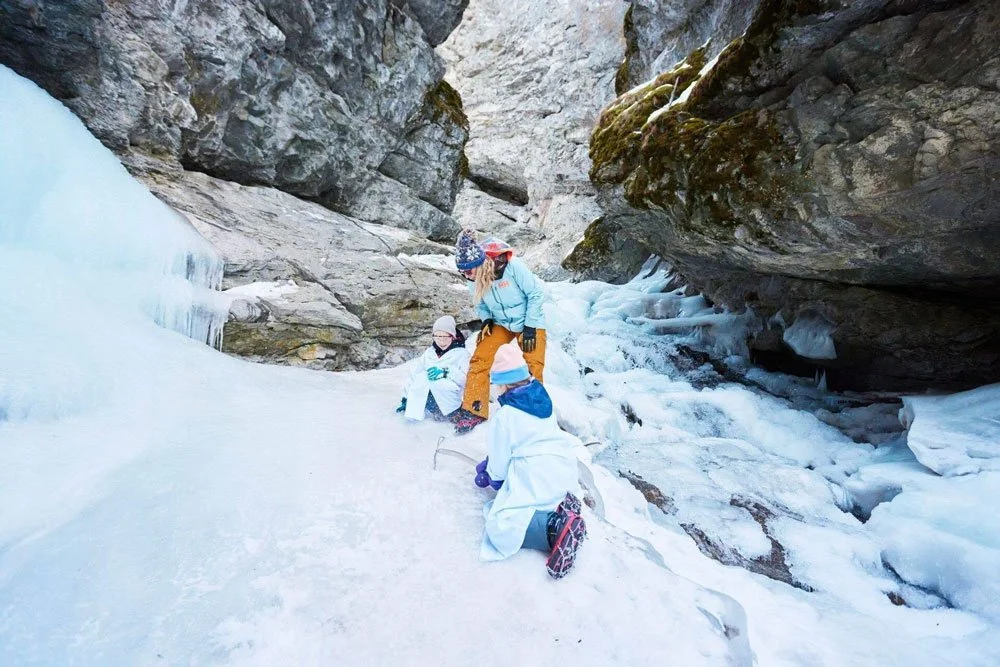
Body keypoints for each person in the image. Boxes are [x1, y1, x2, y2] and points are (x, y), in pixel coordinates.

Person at [473, 342, 587, 579]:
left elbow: (499, 466)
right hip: (562, 468)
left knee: (501, 526)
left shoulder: (505, 416)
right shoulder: (542, 399)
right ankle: (559, 508)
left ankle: (556, 529)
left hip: (536, 474)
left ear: (502, 384)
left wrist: (490, 476)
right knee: (538, 501)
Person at [451, 228, 547, 434]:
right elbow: (480, 304)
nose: (466, 275)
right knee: (480, 358)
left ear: (479, 263)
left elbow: (536, 294)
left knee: (533, 361)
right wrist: (486, 320)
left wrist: (530, 325)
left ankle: (532, 409)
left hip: (529, 320)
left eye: (468, 270)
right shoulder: (472, 279)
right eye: (462, 271)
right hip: (501, 323)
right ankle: (474, 408)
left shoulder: (512, 267)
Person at [396, 315, 470, 422]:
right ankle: (420, 412)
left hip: (451, 400)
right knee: (422, 377)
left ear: (453, 337)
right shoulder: (429, 353)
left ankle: (454, 415)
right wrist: (406, 398)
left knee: (438, 382)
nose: (441, 341)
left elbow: (466, 380)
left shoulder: (462, 354)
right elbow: (415, 375)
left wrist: (446, 373)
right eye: (437, 337)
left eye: (445, 337)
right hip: (432, 401)